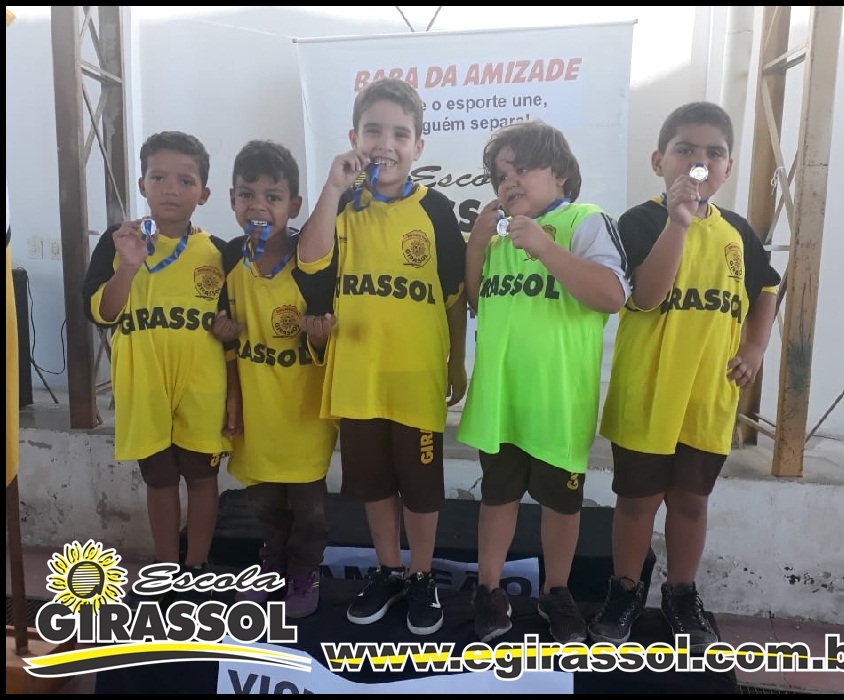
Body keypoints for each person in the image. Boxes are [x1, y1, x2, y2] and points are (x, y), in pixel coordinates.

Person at [589, 102, 780, 654]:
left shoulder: (738, 232)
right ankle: (625, 592)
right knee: (637, 502)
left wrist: (755, 347)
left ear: (728, 167)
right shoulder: (640, 221)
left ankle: (681, 593)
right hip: (648, 393)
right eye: (686, 150)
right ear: (659, 161)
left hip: (708, 397)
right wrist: (679, 221)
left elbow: (766, 288)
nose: (700, 162)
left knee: (692, 502)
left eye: (713, 153)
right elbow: (647, 297)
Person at [296, 77, 467, 636]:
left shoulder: (436, 211)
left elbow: (453, 297)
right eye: (373, 131)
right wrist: (332, 187)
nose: (385, 144)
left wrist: (456, 362)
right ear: (354, 137)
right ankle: (389, 570)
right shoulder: (343, 205)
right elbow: (310, 260)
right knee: (373, 485)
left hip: (415, 375)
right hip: (358, 375)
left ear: (418, 145)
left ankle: (421, 575)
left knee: (420, 488)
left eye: (400, 134)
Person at [457, 120, 630, 644]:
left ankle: (557, 591)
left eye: (522, 168)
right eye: (499, 174)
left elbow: (612, 294)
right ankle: (489, 588)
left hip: (558, 400)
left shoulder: (585, 219)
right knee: (497, 497)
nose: (508, 181)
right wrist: (477, 246)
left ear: (560, 173)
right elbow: (477, 302)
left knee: (561, 504)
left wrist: (544, 248)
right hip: (501, 397)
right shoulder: (500, 233)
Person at [83, 131, 229, 607]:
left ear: (203, 193)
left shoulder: (219, 252)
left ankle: (198, 568)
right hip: (143, 383)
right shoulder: (119, 241)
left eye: (185, 180)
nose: (171, 188)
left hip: (203, 385)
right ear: (142, 184)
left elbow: (231, 328)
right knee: (160, 478)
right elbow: (102, 313)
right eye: (159, 177)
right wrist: (128, 266)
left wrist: (234, 393)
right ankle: (167, 572)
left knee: (202, 478)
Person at [211, 140, 339, 618]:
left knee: (309, 509)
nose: (258, 206)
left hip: (304, 414)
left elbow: (331, 338)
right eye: (247, 194)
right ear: (232, 200)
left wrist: (320, 337)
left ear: (295, 205)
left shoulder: (313, 264)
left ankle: (304, 570)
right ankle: (271, 565)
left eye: (273, 196)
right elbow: (224, 336)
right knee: (264, 504)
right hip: (257, 411)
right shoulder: (229, 261)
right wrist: (224, 337)